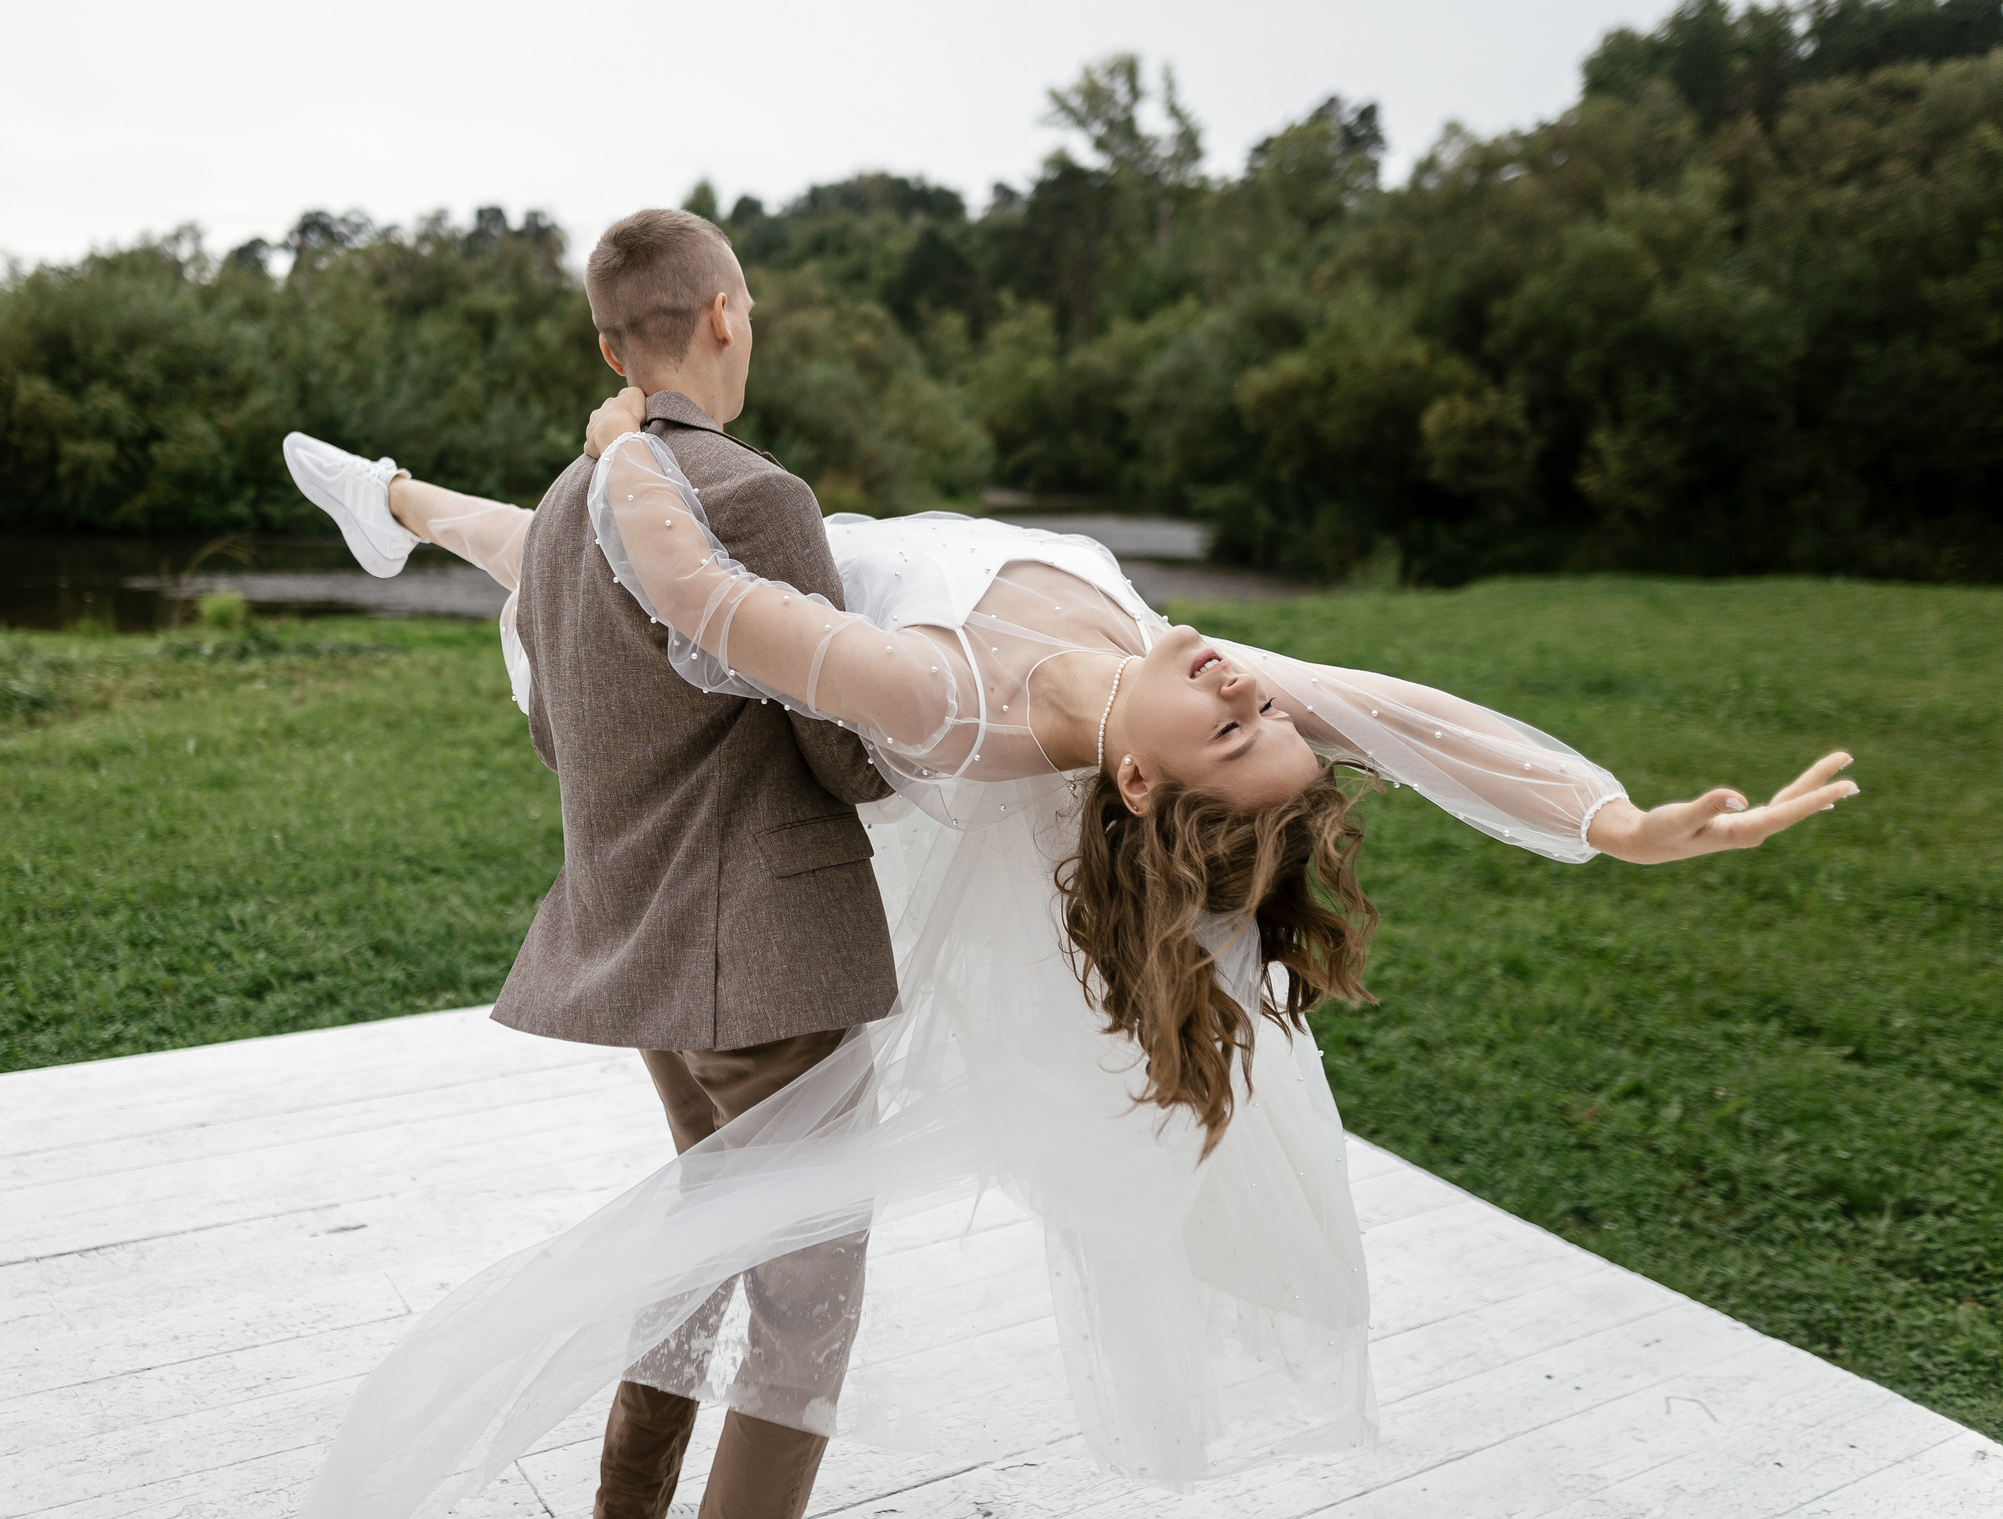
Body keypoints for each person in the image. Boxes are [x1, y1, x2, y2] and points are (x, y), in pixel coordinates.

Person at [287, 259, 1857, 1519]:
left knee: (557, 557)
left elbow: (704, 601)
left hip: (736, 613)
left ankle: (419, 511)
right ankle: (399, 502)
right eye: (1268, 707)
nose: (1255, 685)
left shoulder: (961, 707)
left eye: (1239, 724)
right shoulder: (1184, 688)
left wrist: (633, 445)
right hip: (807, 540)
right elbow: (1401, 706)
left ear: (1144, 784)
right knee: (517, 542)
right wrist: (1615, 821)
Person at [288, 208, 895, 1519]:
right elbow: (844, 748)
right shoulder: (761, 498)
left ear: (609, 343)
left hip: (648, 968)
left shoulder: (565, 511)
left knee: (697, 1246)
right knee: (804, 1317)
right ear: (726, 314)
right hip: (774, 977)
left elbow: (562, 736)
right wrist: (940, 744)